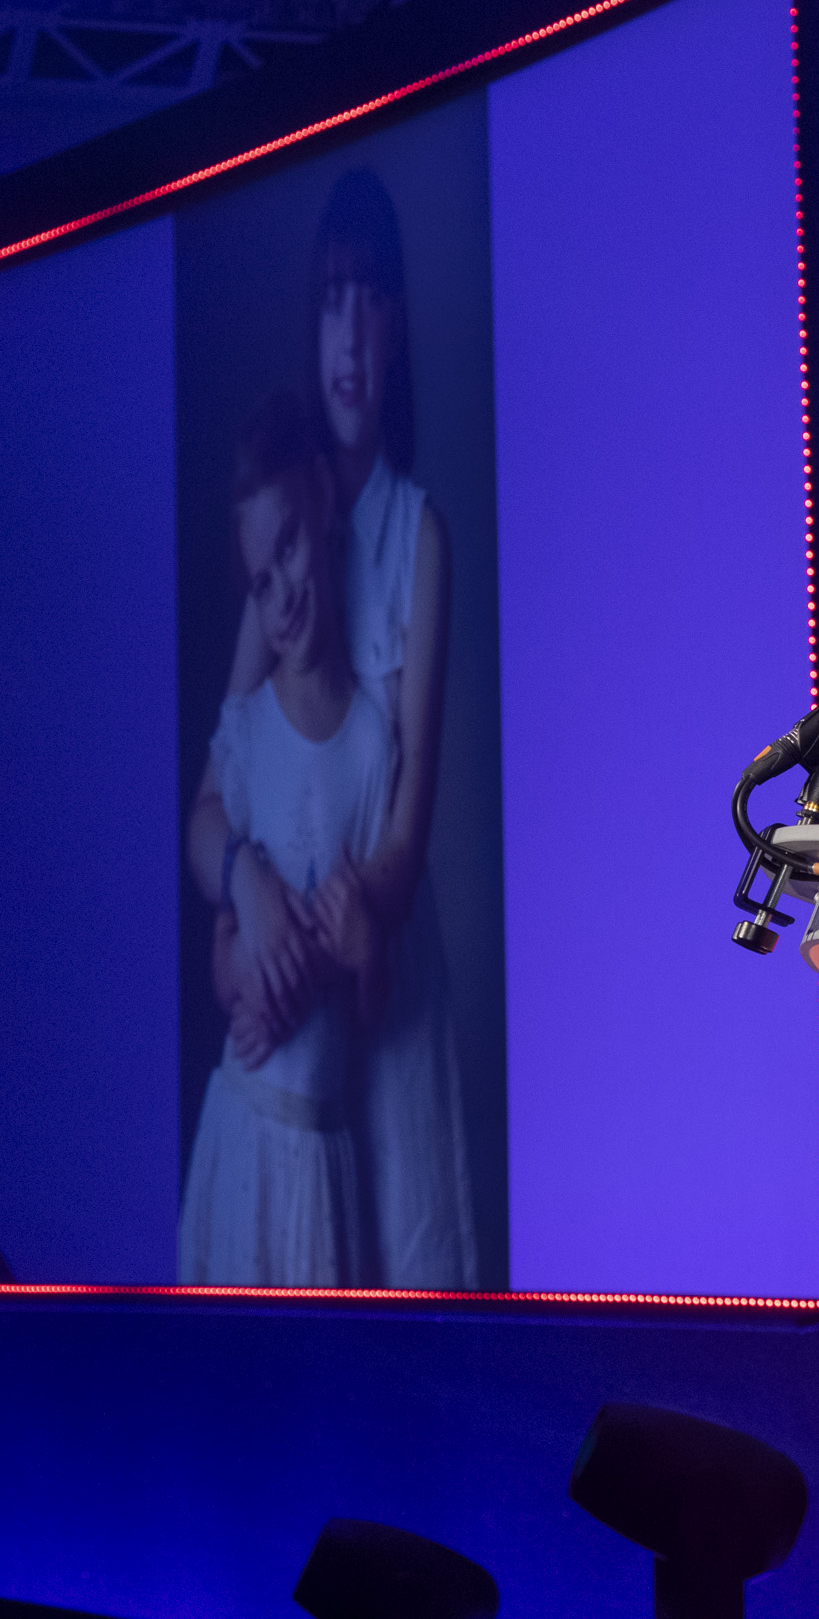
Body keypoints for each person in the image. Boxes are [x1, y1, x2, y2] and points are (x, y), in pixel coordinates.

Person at [217, 168, 480, 1289]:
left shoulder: (421, 536)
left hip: (384, 976)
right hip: (291, 995)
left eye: (371, 299)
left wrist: (320, 946)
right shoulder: (291, 530)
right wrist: (249, 899)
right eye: (332, 300)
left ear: (399, 327)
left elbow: (405, 838)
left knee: (405, 1293)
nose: (351, 334)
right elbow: (217, 793)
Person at [180, 393, 391, 1286]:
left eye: (293, 548)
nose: (284, 595)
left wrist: (358, 956)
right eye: (261, 584)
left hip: (323, 1147)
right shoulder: (250, 730)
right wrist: (241, 970)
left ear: (323, 505)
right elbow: (222, 944)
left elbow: (375, 1011)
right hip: (240, 1121)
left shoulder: (374, 742)